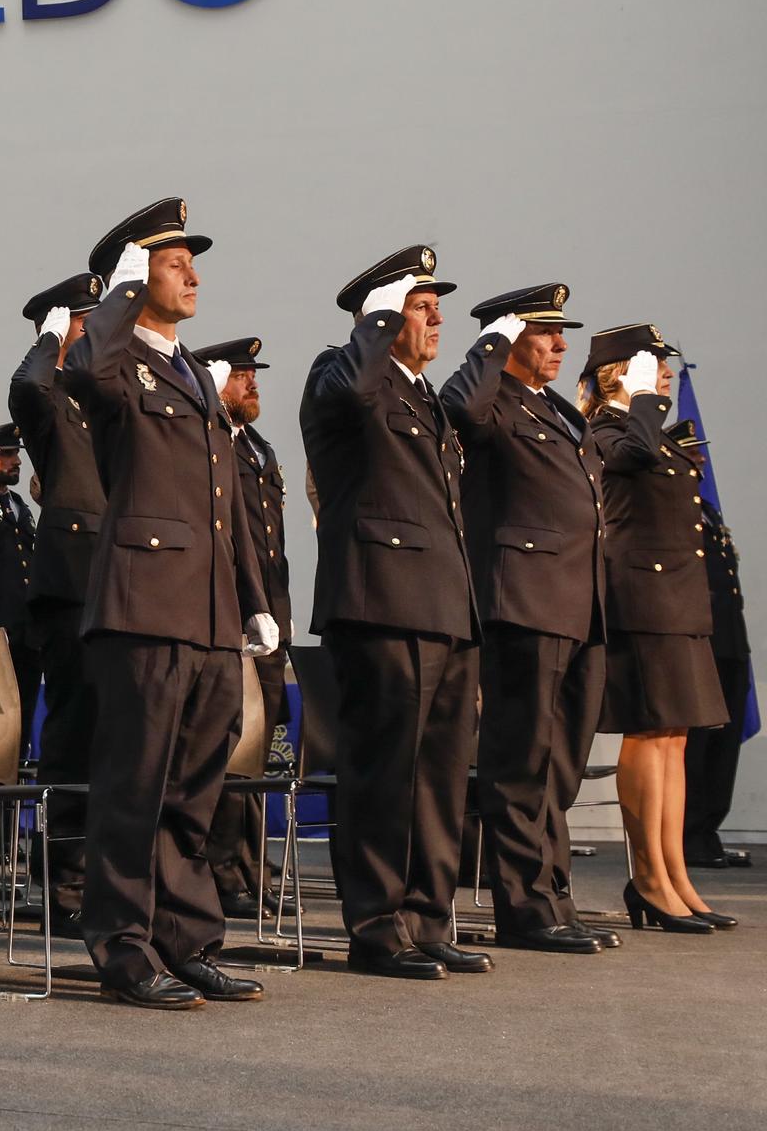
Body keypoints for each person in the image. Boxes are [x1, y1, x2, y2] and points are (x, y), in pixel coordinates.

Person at [61, 199, 277, 1010]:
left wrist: (253, 601)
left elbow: (226, 507)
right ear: (133, 274)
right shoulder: (118, 361)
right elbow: (80, 373)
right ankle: (122, 945)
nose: (193, 273)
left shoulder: (191, 372)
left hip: (212, 612)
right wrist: (114, 293)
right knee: (135, 786)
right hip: (145, 607)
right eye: (173, 259)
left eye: (192, 260)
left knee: (193, 791)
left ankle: (187, 941)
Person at [299, 245, 488, 981]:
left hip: (443, 604)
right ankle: (377, 926)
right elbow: (346, 392)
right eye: (420, 303)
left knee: (440, 775)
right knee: (384, 772)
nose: (437, 315)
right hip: (381, 604)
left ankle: (426, 916)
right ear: (378, 315)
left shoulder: (423, 395)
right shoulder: (341, 374)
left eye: (434, 303)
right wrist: (377, 316)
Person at [440, 285, 616, 953]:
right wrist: (492, 339)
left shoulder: (559, 409)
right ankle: (523, 905)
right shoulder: (491, 402)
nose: (561, 343)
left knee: (561, 764)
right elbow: (459, 405)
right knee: (520, 761)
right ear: (511, 336)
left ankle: (553, 891)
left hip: (578, 603)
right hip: (525, 602)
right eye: (545, 332)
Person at [580, 326, 731, 932]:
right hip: (641, 601)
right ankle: (648, 878)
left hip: (676, 602)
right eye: (650, 364)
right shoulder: (608, 430)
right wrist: (645, 400)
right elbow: (632, 457)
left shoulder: (646, 430)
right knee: (647, 734)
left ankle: (674, 874)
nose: (664, 374)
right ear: (619, 372)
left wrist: (648, 405)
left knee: (674, 737)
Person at [7, 271, 107, 925]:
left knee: (116, 740)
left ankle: (104, 877)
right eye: (83, 319)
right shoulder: (51, 399)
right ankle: (65, 886)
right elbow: (26, 386)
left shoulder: (99, 400)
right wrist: (50, 333)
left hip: (120, 583)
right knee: (73, 739)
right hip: (71, 586)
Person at [195, 336, 291, 921]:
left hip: (267, 621)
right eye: (239, 375)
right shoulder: (210, 446)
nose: (251, 383)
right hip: (225, 617)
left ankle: (250, 863)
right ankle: (219, 867)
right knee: (226, 749)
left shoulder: (257, 449)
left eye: (254, 374)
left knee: (256, 753)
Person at [673, 421, 753, 870]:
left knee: (724, 748)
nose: (700, 460)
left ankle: (706, 831)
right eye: (691, 453)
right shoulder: (673, 508)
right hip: (700, 639)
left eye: (700, 453)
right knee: (696, 747)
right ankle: (685, 835)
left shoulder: (706, 510)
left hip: (729, 643)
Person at [0, 422, 40, 717]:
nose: (16, 460)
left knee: (25, 705)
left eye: (15, 453)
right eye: (6, 453)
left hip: (27, 629)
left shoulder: (19, 505)